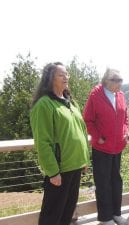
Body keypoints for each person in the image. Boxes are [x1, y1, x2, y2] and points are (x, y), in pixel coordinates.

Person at [30, 62, 90, 225]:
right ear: (50, 79)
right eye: (61, 75)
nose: (66, 77)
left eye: (67, 74)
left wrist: (85, 160)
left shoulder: (70, 101)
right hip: (60, 169)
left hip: (76, 164)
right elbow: (42, 142)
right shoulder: (44, 105)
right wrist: (52, 171)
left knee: (67, 212)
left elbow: (82, 132)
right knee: (52, 215)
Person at [83, 68, 129, 225]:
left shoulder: (121, 96)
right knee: (103, 183)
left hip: (117, 147)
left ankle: (116, 213)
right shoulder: (96, 95)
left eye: (121, 80)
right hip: (102, 148)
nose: (119, 83)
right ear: (106, 81)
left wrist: (126, 132)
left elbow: (125, 119)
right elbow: (88, 119)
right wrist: (97, 137)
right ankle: (105, 218)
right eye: (115, 80)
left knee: (116, 181)